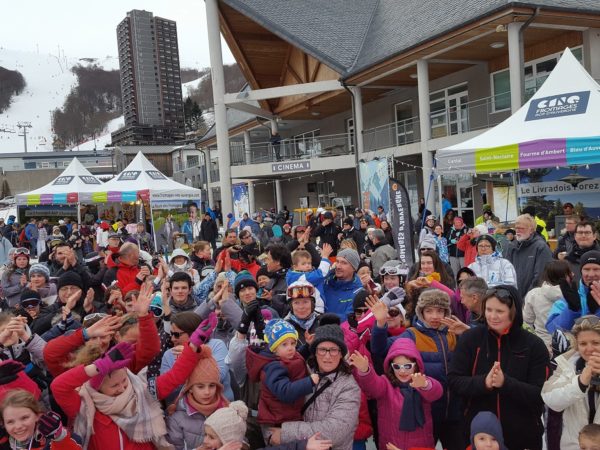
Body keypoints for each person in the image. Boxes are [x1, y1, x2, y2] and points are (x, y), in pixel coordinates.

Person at [51, 312, 212, 450]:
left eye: (124, 381)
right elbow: (58, 386)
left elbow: (175, 376)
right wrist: (98, 368)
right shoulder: (84, 405)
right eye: (114, 385)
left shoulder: (141, 391)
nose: (122, 388)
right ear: (98, 387)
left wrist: (193, 346)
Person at [448, 285, 550, 449]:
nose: (492, 316)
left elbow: (541, 394)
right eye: (488, 309)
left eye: (500, 311)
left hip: (522, 436)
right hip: (478, 437)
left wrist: (506, 384)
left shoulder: (534, 345)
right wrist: (484, 383)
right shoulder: (470, 339)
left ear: (513, 311)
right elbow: (454, 381)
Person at [371, 289, 461, 449]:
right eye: (429, 311)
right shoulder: (412, 335)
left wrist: (466, 333)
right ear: (421, 312)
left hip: (453, 410)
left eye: (440, 311)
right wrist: (379, 324)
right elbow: (380, 349)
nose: (434, 316)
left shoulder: (453, 333)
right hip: (426, 410)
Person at [270, 324, 360, 449]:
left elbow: (334, 431)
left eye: (333, 350)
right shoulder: (303, 371)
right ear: (315, 352)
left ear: (341, 354)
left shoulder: (349, 387)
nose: (327, 356)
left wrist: (284, 433)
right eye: (322, 349)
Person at [349, 337, 442, 450]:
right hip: (391, 444)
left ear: (416, 365)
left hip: (420, 444)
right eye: (397, 366)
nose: (402, 371)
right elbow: (372, 385)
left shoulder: (421, 382)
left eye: (407, 366)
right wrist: (365, 370)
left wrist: (424, 385)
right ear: (391, 366)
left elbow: (437, 392)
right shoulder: (385, 384)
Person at [246, 319, 316, 443]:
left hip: (286, 414)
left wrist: (307, 346)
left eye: (293, 343)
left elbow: (297, 360)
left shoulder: (285, 356)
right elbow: (285, 392)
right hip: (276, 420)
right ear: (273, 347)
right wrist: (309, 382)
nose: (290, 348)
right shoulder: (273, 367)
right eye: (284, 344)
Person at [542, 315, 600, 450]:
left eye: (596, 343)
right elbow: (550, 399)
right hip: (574, 444)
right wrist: (580, 382)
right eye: (583, 344)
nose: (589, 348)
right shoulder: (567, 365)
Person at [166, 346, 229, 450]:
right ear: (190, 388)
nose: (207, 392)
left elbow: (241, 442)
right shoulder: (176, 419)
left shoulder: (227, 411)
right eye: (200, 386)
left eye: (212, 385)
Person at [0, 389, 82, 450]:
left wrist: (60, 438)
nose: (18, 426)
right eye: (10, 422)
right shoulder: (9, 441)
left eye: (24, 418)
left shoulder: (53, 438)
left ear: (37, 415)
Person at [547, 251, 600, 334]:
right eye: (586, 269)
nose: (591, 274)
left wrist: (597, 312)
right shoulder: (569, 298)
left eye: (596, 269)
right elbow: (553, 329)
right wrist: (572, 310)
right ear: (581, 271)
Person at [523, 260, 572, 350]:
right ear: (564, 276)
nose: (573, 274)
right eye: (569, 273)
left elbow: (527, 322)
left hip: (541, 344)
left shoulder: (533, 294)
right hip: (569, 345)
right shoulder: (575, 296)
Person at [504, 214, 553, 298]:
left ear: (531, 230)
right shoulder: (512, 246)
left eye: (521, 228)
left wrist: (527, 298)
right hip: (513, 299)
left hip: (533, 300)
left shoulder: (541, 247)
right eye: (516, 228)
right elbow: (505, 271)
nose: (518, 231)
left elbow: (540, 277)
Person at [286, 246, 331, 313]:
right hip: (314, 310)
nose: (307, 265)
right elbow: (321, 274)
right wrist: (325, 257)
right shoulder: (302, 277)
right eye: (303, 264)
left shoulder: (297, 275)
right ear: (295, 267)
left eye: (309, 263)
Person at [323, 248, 363, 322]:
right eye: (337, 261)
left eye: (344, 263)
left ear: (354, 268)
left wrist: (322, 318)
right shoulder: (325, 283)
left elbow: (348, 320)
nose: (338, 266)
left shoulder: (358, 293)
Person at [283, 280, 320, 345]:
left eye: (305, 302)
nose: (301, 307)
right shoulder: (284, 328)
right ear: (291, 306)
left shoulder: (323, 323)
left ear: (312, 304)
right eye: (296, 303)